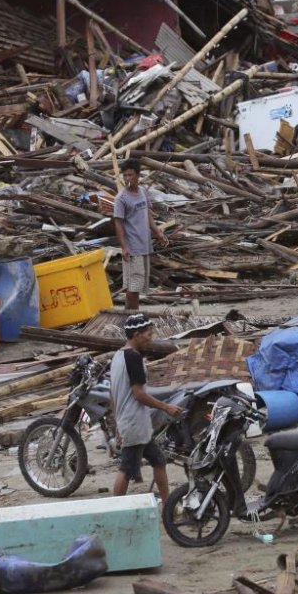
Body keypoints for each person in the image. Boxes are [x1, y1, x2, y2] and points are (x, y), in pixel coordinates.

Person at [111, 314, 183, 498]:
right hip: (134, 422)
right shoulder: (133, 358)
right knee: (127, 470)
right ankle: (113, 510)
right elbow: (139, 394)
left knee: (159, 460)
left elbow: (112, 394)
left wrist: (117, 422)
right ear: (136, 334)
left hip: (133, 422)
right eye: (148, 334)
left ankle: (168, 505)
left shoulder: (117, 356)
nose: (150, 339)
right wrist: (166, 407)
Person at [113, 157, 168, 310]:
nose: (127, 178)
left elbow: (147, 214)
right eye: (125, 175)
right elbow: (118, 223)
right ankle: (132, 317)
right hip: (133, 248)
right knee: (133, 285)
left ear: (138, 175)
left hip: (145, 245)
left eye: (130, 175)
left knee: (139, 285)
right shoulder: (121, 198)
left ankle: (129, 314)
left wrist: (157, 232)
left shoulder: (143, 192)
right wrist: (124, 247)